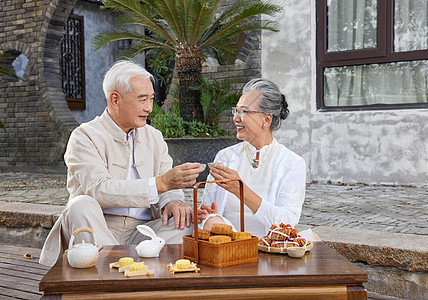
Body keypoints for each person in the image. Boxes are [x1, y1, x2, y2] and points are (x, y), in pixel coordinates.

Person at [39, 60, 202, 266]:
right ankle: (125, 269)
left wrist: (172, 202)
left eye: (151, 99)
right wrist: (161, 184)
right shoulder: (84, 136)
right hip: (99, 228)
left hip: (145, 229)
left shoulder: (154, 136)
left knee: (188, 220)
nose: (149, 108)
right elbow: (98, 189)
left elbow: (167, 183)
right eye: (142, 100)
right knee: (80, 205)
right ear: (115, 100)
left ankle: (122, 266)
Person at [198, 78, 312, 239]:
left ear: (266, 119)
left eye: (244, 111)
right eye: (236, 110)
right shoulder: (225, 157)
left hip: (268, 243)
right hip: (226, 245)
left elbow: (287, 222)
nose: (236, 118)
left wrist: (241, 191)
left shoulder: (292, 163)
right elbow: (208, 209)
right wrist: (206, 214)